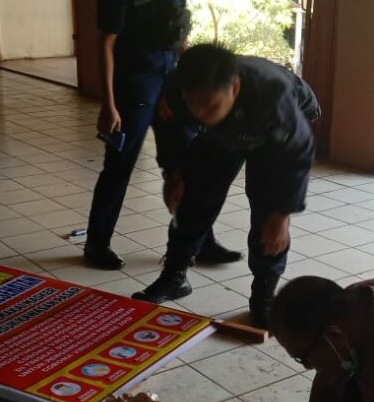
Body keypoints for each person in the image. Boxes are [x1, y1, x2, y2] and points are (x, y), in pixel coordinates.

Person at [132, 44, 320, 328]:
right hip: (222, 133)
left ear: (234, 86)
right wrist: (173, 174)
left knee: (267, 213)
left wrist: (282, 214)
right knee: (193, 199)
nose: (201, 114)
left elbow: (297, 156)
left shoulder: (273, 96)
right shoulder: (179, 92)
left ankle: (264, 297)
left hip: (272, 134)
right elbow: (171, 129)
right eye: (194, 106)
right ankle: (174, 277)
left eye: (209, 106)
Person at [85, 0, 241, 270]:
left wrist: (189, 81)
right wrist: (108, 104)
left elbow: (178, 37)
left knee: (188, 165)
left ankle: (201, 242)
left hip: (171, 86)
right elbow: (106, 43)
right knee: (119, 167)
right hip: (134, 89)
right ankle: (97, 244)